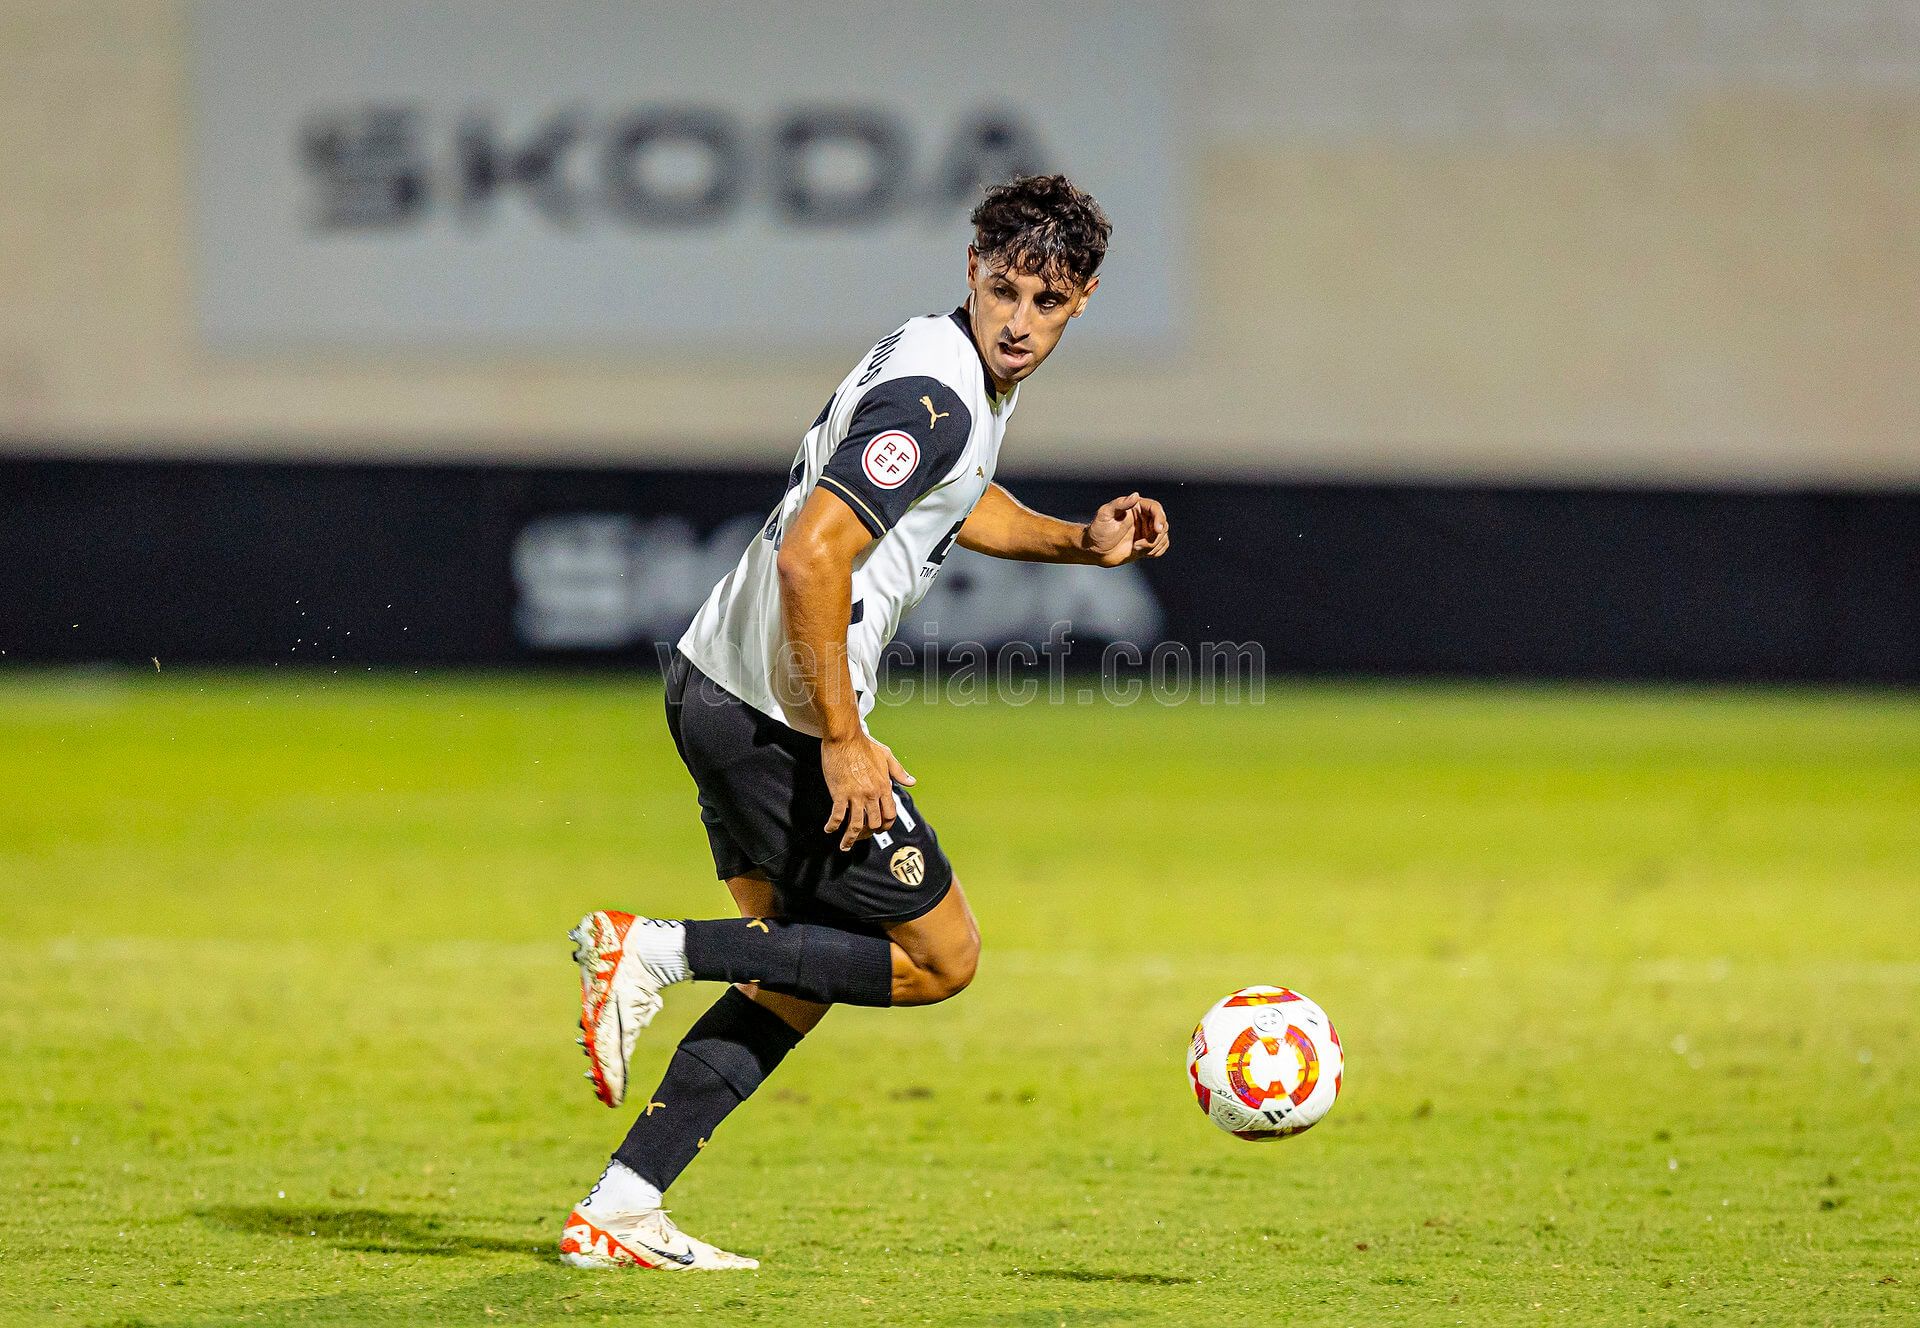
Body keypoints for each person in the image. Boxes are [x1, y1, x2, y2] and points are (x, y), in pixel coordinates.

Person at [559, 174, 1171, 1270]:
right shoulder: (935, 396)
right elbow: (813, 552)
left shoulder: (949, 370)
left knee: (794, 971)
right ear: (972, 269)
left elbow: (953, 497)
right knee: (940, 954)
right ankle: (645, 949)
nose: (1019, 320)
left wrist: (1080, 540)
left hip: (716, 688)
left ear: (1081, 302)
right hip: (773, 716)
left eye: (1048, 299)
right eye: (1004, 290)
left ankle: (621, 1203)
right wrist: (841, 738)